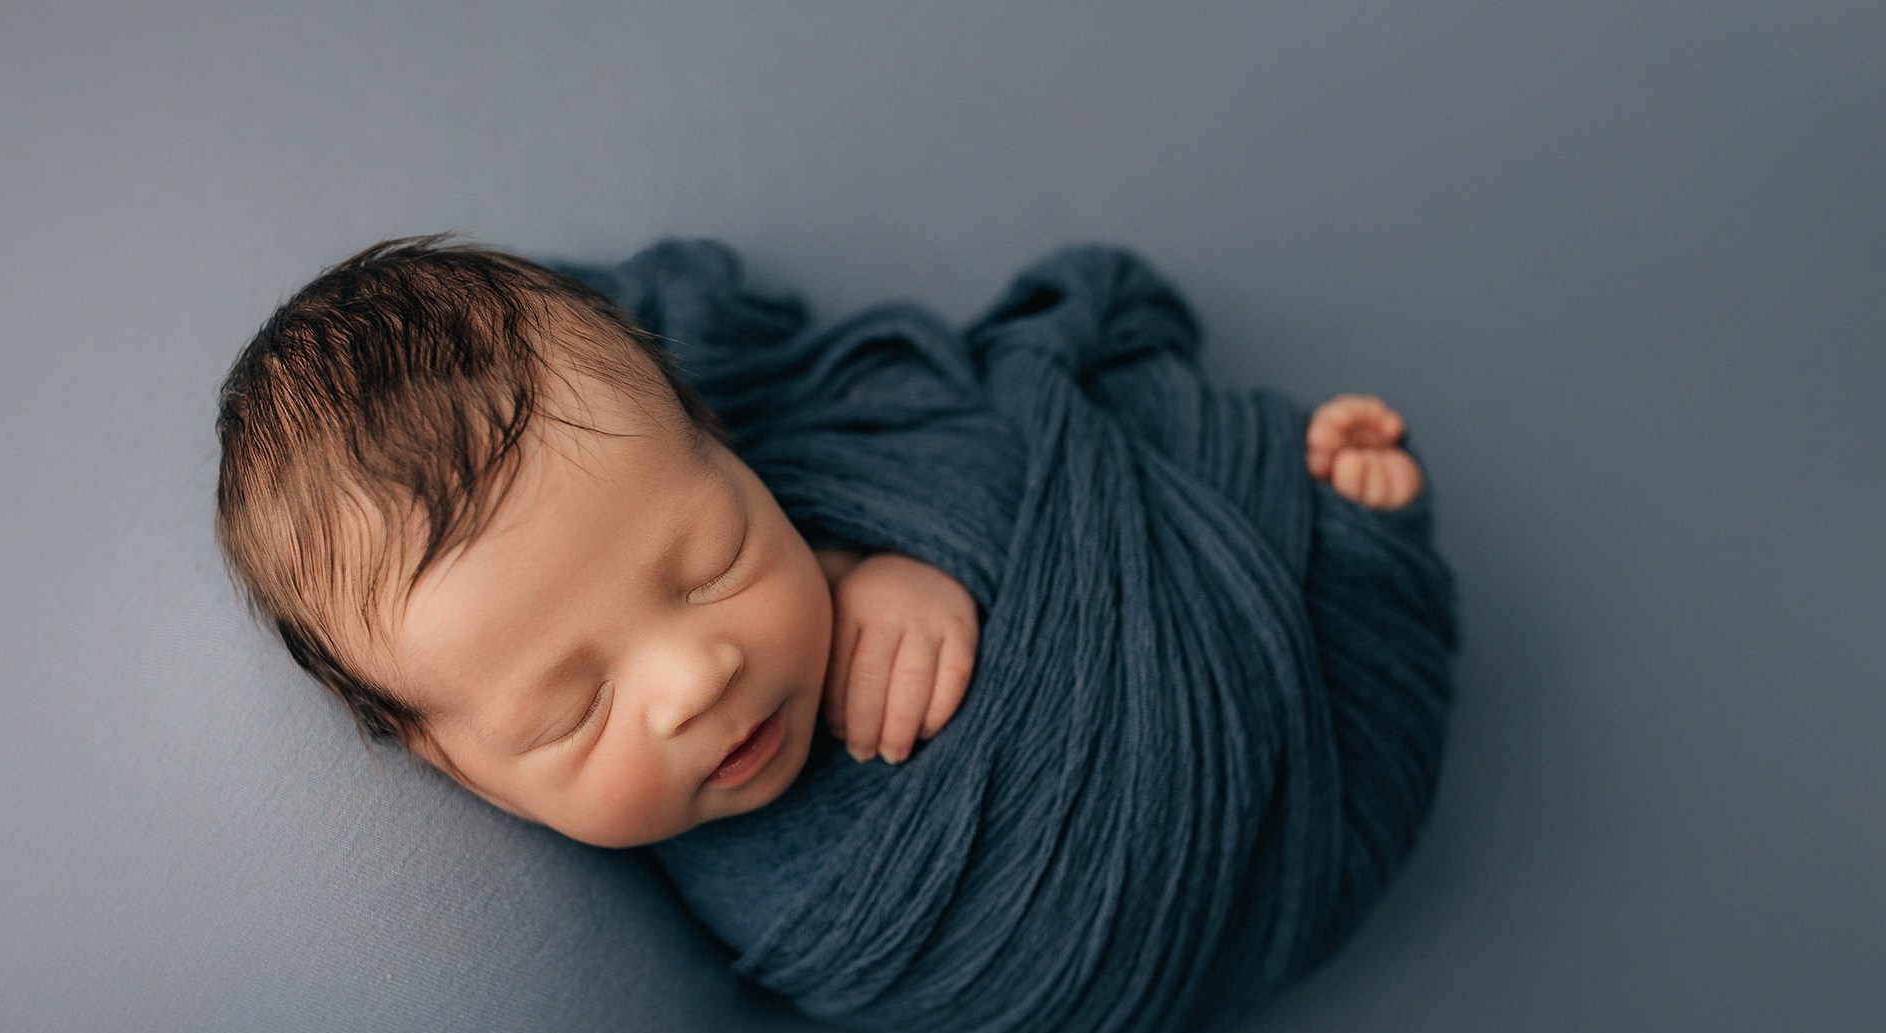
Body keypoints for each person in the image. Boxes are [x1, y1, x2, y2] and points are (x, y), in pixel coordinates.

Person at [214, 235, 1422, 849]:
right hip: (1099, 916)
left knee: (1231, 503)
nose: (698, 677)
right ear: (454, 763)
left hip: (1265, 706)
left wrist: (887, 550)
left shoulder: (812, 481)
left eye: (712, 563)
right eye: (570, 708)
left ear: (736, 457)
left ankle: (1325, 516)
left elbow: (941, 438)